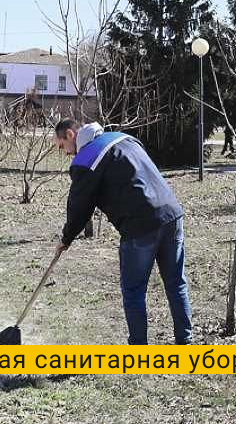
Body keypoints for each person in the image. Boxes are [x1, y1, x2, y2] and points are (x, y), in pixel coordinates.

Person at [53, 119, 192, 345]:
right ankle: (185, 344)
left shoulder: (86, 158)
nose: (65, 153)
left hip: (140, 226)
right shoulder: (124, 138)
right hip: (172, 214)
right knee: (176, 283)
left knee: (134, 291)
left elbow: (79, 205)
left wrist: (66, 238)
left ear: (70, 135)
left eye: (61, 146)